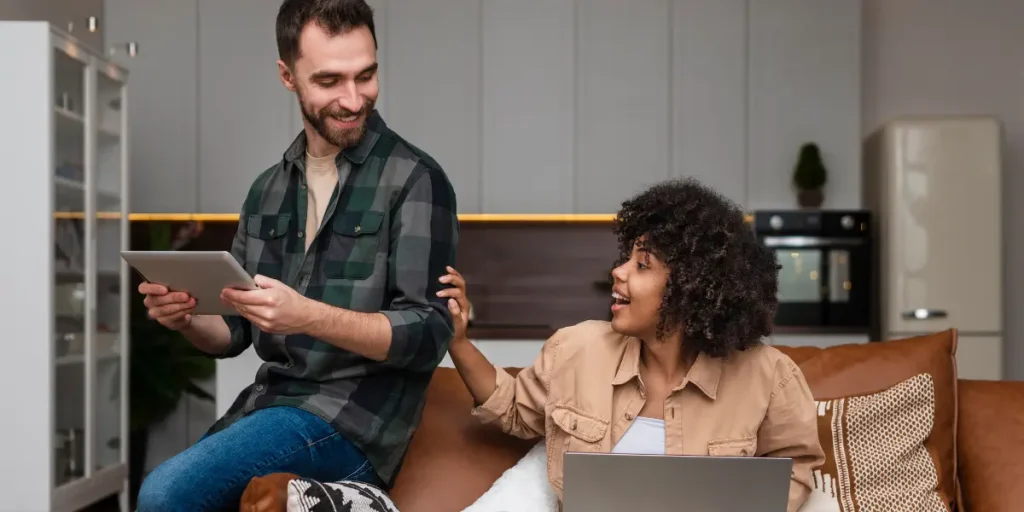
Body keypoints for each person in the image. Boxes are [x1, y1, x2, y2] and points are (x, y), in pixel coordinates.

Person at [135, 0, 459, 509]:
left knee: (164, 493)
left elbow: (427, 333)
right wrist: (188, 319)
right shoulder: (266, 190)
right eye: (329, 81)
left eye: (366, 75)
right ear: (288, 76)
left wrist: (306, 315)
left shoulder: (417, 180)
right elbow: (234, 332)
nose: (353, 99)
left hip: (353, 425)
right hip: (268, 407)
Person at [438, 178, 825, 512]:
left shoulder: (769, 377)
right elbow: (512, 409)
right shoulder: (575, 349)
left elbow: (795, 467)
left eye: (642, 264)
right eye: (627, 258)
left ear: (690, 288)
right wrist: (458, 341)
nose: (618, 272)